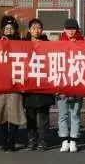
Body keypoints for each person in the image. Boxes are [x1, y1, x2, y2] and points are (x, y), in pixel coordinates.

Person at [0, 16, 26, 152]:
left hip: (15, 84)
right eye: (6, 28)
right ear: (2, 29)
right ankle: (4, 139)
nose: (9, 30)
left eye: (11, 28)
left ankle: (12, 141)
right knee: (1, 113)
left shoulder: (21, 43)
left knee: (14, 113)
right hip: (0, 84)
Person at [23, 19, 55, 151]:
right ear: (29, 30)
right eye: (34, 28)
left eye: (39, 28)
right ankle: (32, 139)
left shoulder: (47, 44)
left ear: (42, 30)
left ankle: (43, 140)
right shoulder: (22, 44)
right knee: (30, 114)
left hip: (43, 83)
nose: (36, 30)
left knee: (43, 115)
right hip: (29, 84)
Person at [57, 18, 84, 153]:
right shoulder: (58, 44)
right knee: (62, 115)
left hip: (77, 84)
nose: (71, 31)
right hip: (62, 84)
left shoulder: (83, 43)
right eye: (68, 28)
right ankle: (64, 140)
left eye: (73, 28)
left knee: (75, 114)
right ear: (64, 29)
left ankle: (73, 140)